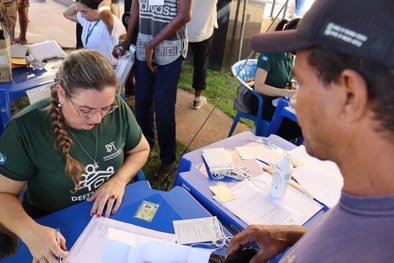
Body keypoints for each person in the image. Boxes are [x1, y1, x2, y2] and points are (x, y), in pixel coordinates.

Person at [226, 0, 394, 262]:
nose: (294, 100)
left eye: (302, 83)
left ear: (350, 96)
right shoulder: (373, 199)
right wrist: (298, 236)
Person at [0, 49, 150, 261]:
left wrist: (119, 180)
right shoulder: (25, 129)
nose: (97, 119)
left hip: (110, 216)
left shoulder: (119, 110)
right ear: (61, 93)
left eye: (106, 107)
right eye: (86, 109)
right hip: (51, 223)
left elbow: (141, 149)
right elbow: (2, 194)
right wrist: (31, 232)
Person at [112, 0, 191, 180]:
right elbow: (136, 6)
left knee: (163, 109)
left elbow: (185, 15)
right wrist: (128, 40)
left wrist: (152, 45)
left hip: (170, 51)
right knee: (142, 104)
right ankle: (143, 147)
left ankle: (168, 160)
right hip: (144, 46)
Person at [252, 18, 302, 141]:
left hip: (276, 101)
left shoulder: (288, 55)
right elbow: (259, 86)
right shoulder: (269, 53)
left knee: (301, 124)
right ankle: (263, 142)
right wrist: (286, 92)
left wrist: (293, 85)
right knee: (293, 126)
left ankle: (272, 146)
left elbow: (287, 76)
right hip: (261, 102)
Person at [63, 0, 125, 65]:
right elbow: (67, 14)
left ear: (97, 8)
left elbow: (103, 11)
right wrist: (80, 4)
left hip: (107, 68)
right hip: (93, 66)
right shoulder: (87, 20)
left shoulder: (111, 23)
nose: (82, 16)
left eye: (84, 12)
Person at [187, 0, 218, 110]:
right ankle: (197, 99)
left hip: (180, 25)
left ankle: (166, 95)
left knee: (174, 63)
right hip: (203, 29)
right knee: (201, 65)